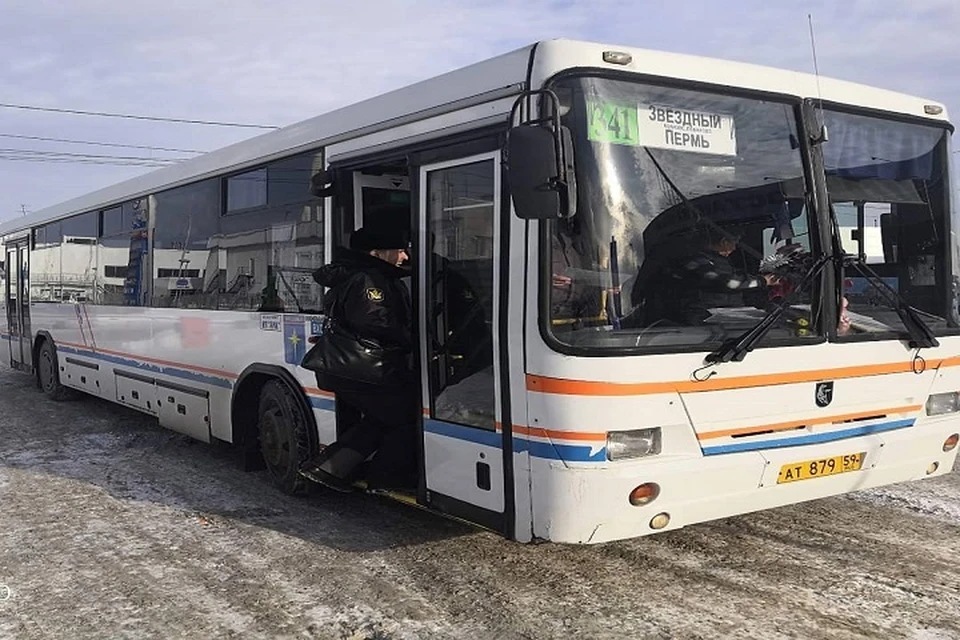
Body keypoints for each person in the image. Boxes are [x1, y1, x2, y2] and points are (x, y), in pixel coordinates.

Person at [298, 226, 418, 492]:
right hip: (364, 368)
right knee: (406, 417)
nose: (404, 256)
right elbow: (375, 321)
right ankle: (386, 477)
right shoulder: (369, 280)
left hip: (353, 366)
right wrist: (414, 338)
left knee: (383, 417)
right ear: (377, 252)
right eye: (398, 250)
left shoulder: (363, 275)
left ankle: (330, 469)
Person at [638, 227, 778, 326]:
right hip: (700, 325)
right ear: (724, 241)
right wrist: (762, 281)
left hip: (722, 321)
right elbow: (729, 283)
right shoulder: (696, 261)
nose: (735, 248)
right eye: (734, 242)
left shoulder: (718, 261)